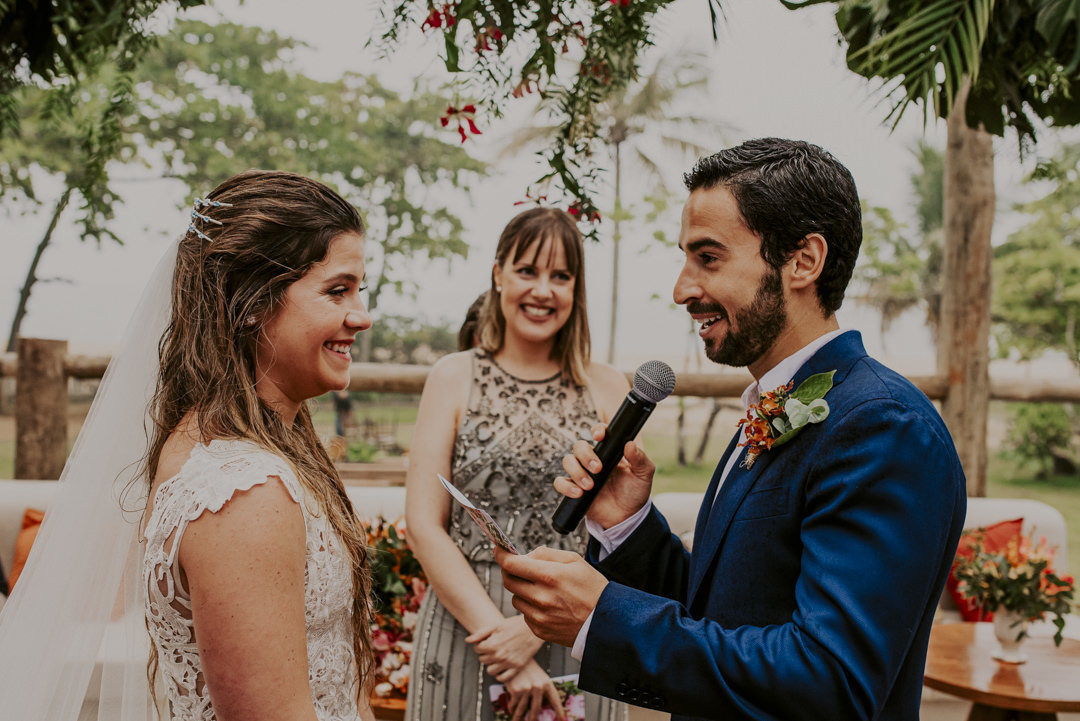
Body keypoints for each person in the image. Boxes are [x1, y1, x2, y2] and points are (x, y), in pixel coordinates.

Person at [497, 138, 968, 721]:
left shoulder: (882, 427)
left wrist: (604, 617)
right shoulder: (771, 404)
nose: (682, 289)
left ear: (803, 261)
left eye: (708, 258)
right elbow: (726, 605)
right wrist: (629, 527)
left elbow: (831, 682)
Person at [0, 170, 379, 721]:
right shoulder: (243, 494)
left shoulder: (233, 443)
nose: (361, 316)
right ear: (252, 302)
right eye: (336, 290)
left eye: (358, 290)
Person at [404, 207, 630, 721]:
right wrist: (500, 641)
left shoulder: (608, 385)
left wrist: (532, 629)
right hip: (469, 625)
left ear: (577, 289)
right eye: (528, 271)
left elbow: (623, 534)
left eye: (560, 276)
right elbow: (423, 525)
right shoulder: (452, 376)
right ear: (498, 274)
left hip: (575, 624)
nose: (542, 290)